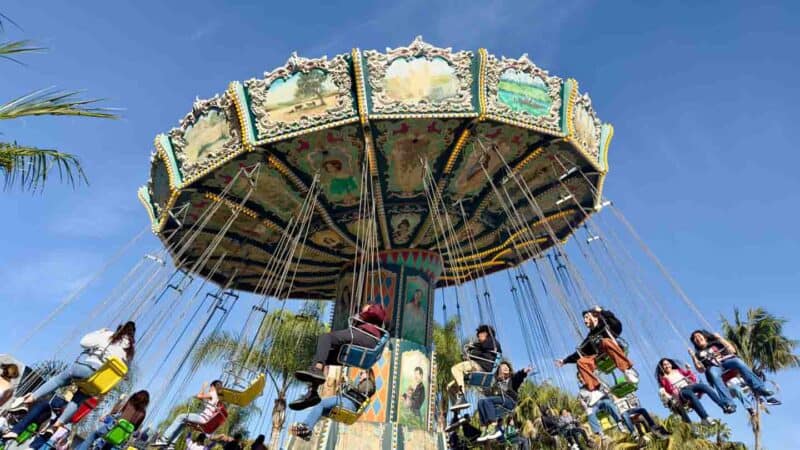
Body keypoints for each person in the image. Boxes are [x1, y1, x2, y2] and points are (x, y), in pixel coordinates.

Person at [9, 322, 136, 434]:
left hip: (88, 369)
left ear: (120, 329)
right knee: (78, 399)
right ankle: (57, 424)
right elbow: (124, 374)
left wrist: (99, 332)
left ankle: (29, 399)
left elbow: (84, 342)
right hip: (100, 382)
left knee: (60, 379)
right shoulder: (128, 353)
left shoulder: (109, 336)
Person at [290, 303, 386, 410]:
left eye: (365, 308)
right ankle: (312, 393)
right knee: (325, 356)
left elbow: (378, 313)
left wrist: (364, 313)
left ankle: (317, 370)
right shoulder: (364, 320)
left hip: (367, 338)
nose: (363, 310)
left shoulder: (376, 311)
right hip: (359, 343)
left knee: (326, 338)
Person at [688, 329, 780, 406]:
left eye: (698, 336)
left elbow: (732, 350)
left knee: (737, 361)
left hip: (726, 361)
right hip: (715, 367)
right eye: (695, 339)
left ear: (704, 336)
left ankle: (760, 389)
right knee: (712, 372)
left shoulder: (715, 343)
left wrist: (720, 338)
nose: (697, 338)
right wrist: (693, 357)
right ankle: (728, 402)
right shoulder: (698, 354)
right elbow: (701, 370)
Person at [555, 307, 637, 392]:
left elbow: (617, 325)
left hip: (612, 348)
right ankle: (594, 389)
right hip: (601, 356)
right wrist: (564, 361)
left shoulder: (606, 324)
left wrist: (602, 312)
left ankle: (627, 370)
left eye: (587, 317)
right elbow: (580, 352)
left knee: (604, 341)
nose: (585, 320)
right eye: (584, 318)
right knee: (581, 362)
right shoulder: (590, 337)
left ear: (594, 316)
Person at [289, 369, 375, 441]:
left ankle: (306, 427)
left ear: (368, 374)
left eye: (362, 373)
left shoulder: (368, 383)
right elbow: (356, 391)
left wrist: (348, 382)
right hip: (348, 404)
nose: (360, 375)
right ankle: (307, 430)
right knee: (321, 410)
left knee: (320, 403)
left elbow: (360, 391)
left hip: (348, 403)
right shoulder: (366, 384)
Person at [656, 358, 730, 425]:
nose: (667, 366)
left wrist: (688, 370)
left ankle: (723, 406)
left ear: (671, 364)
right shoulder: (664, 378)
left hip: (689, 386)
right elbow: (669, 390)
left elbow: (691, 378)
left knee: (704, 387)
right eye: (664, 365)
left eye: (668, 364)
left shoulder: (678, 370)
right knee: (690, 394)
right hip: (680, 392)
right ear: (662, 368)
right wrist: (667, 379)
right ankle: (705, 417)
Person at [447, 325, 503, 410]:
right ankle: (457, 411)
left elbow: (481, 348)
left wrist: (473, 346)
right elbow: (479, 351)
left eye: (479, 336)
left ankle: (461, 396)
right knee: (450, 387)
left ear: (485, 333)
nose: (478, 338)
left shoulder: (492, 341)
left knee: (455, 369)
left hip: (480, 366)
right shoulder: (486, 345)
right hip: (477, 365)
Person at [153, 381, 224, 447]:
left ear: (213, 386)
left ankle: (164, 439)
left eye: (210, 387)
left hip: (202, 418)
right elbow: (202, 399)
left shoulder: (213, 393)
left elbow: (199, 396)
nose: (209, 389)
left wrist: (203, 387)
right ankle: (171, 444)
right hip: (205, 419)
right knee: (184, 422)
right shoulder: (216, 397)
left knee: (180, 417)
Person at [475, 362, 533, 442]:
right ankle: (484, 428)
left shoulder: (512, 380)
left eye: (507, 367)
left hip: (510, 401)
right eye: (503, 367)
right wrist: (481, 388)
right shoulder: (496, 384)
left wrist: (524, 372)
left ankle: (493, 426)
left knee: (487, 401)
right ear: (499, 371)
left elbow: (518, 377)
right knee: (481, 402)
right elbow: (489, 394)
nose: (506, 368)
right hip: (500, 403)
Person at [77, 390, 149, 450]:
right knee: (107, 447)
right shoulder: (143, 413)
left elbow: (115, 411)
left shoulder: (130, 402)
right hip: (120, 436)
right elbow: (135, 428)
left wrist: (120, 400)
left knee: (93, 436)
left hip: (113, 427)